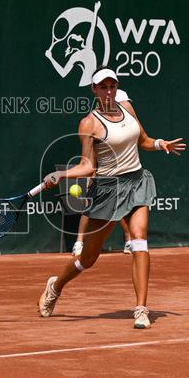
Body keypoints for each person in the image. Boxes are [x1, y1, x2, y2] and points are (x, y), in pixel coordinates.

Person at [39, 67, 185, 328]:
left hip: (137, 180)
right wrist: (61, 176)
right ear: (93, 90)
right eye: (103, 86)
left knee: (139, 240)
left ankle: (141, 309)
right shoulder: (89, 123)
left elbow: (143, 139)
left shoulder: (127, 107)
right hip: (108, 190)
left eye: (112, 86)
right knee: (87, 260)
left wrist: (160, 143)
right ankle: (56, 285)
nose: (108, 91)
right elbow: (88, 166)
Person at [71, 87, 136, 257]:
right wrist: (91, 175)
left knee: (122, 205)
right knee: (91, 203)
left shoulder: (126, 114)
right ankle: (80, 242)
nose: (126, 105)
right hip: (103, 164)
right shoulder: (93, 123)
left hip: (120, 168)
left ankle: (129, 239)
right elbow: (88, 161)